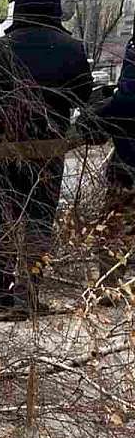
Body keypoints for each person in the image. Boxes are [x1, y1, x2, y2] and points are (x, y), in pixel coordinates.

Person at [0, 0, 94, 312]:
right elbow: (81, 97)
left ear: (18, 7)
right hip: (47, 154)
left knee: (2, 218)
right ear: (55, 9)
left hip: (1, 152)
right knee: (39, 220)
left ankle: (0, 293)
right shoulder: (72, 48)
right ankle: (29, 291)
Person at [83, 35, 135, 294]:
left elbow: (127, 101)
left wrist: (96, 115)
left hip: (129, 161)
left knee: (116, 226)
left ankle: (109, 287)